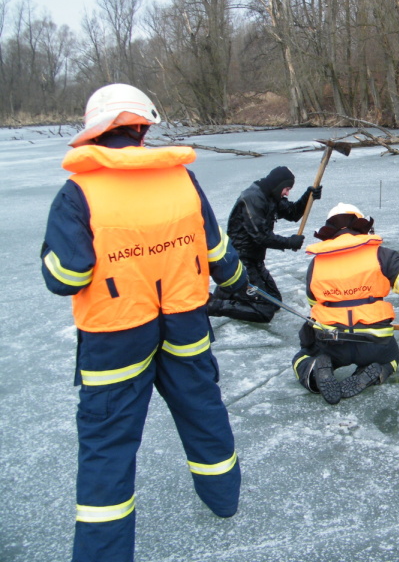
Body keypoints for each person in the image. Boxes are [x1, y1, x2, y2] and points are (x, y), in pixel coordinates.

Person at [40, 84, 249, 562]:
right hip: (186, 324)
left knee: (109, 447)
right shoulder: (182, 180)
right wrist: (237, 280)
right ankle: (224, 500)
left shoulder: (78, 192)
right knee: (203, 410)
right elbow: (218, 253)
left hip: (116, 335)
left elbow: (65, 276)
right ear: (143, 126)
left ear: (95, 133)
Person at [292, 204, 399, 404]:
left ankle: (313, 371)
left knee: (301, 358)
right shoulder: (381, 255)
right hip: (374, 341)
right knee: (392, 359)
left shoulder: (317, 263)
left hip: (332, 342)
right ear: (360, 225)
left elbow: (314, 306)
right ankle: (376, 370)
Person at [207, 166, 321, 323]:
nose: (287, 193)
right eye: (286, 189)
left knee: (274, 301)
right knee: (264, 310)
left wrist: (308, 197)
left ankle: (228, 291)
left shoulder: (271, 197)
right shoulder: (252, 198)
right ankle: (213, 305)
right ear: (278, 185)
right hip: (240, 261)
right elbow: (260, 236)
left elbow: (293, 213)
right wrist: (289, 242)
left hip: (255, 260)